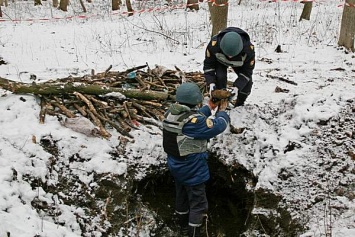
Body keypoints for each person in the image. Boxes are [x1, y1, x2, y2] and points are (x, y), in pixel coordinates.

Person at [162, 82, 230, 237]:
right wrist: (223, 112)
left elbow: (191, 117)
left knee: (182, 197)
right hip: (192, 168)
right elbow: (218, 126)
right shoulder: (194, 123)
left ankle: (182, 228)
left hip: (176, 165)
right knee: (198, 204)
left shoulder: (170, 113)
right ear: (196, 100)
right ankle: (193, 233)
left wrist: (209, 107)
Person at [203, 27, 255, 107]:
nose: (230, 57)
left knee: (247, 84)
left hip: (239, 63)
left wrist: (237, 87)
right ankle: (220, 100)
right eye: (228, 54)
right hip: (220, 61)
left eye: (232, 55)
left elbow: (247, 72)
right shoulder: (214, 45)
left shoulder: (248, 50)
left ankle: (239, 104)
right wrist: (211, 83)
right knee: (220, 76)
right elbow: (209, 65)